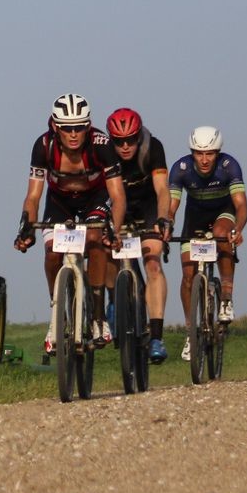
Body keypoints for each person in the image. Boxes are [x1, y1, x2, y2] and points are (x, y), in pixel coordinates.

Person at [14, 93, 126, 356]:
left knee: (97, 241)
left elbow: (119, 197)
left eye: (79, 127)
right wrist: (26, 228)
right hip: (60, 202)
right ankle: (57, 316)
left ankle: (98, 316)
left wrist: (115, 230)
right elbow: (33, 196)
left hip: (94, 200)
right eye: (67, 128)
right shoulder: (43, 146)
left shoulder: (101, 145)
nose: (73, 134)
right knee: (52, 252)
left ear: (88, 127)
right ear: (55, 126)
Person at [167, 126, 247, 360]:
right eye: (199, 153)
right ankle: (191, 331)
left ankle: (226, 297)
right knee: (188, 276)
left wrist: (238, 228)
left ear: (218, 152)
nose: (204, 160)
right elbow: (172, 207)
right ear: (192, 152)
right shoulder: (180, 169)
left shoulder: (229, 166)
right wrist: (167, 224)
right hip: (195, 217)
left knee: (223, 233)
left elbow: (241, 205)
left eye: (210, 154)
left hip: (224, 212)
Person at [104, 108, 173, 364]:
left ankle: (156, 336)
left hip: (147, 207)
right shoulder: (105, 151)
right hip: (118, 206)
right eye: (119, 141)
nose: (125, 146)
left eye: (130, 140)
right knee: (107, 249)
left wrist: (163, 217)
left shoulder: (153, 147)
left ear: (138, 136)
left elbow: (162, 189)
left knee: (153, 262)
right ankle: (114, 300)